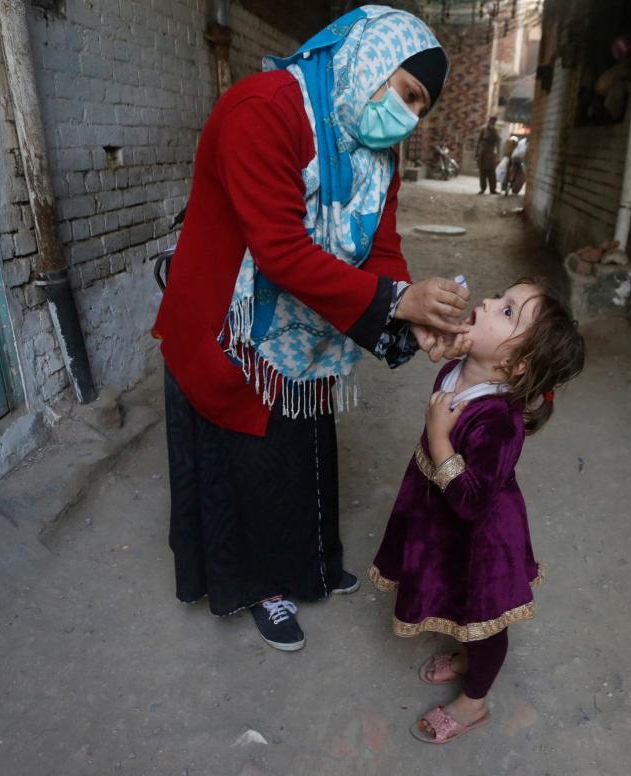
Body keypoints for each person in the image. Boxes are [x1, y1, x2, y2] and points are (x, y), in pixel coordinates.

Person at [153, 6, 470, 652]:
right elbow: (280, 251)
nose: (408, 115)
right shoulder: (262, 111)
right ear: (372, 61)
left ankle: (311, 567)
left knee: (303, 445)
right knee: (252, 456)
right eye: (407, 93)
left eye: (421, 107)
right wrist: (396, 304)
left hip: (304, 325)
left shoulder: (377, 150)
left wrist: (410, 310)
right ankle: (263, 585)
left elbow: (381, 247)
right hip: (231, 321)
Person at [370, 278, 586, 743]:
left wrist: (441, 436)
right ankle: (467, 656)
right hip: (437, 519)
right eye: (500, 298)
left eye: (507, 312)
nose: (488, 302)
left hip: (480, 539)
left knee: (482, 617)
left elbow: (471, 502)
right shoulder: (459, 370)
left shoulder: (499, 422)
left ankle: (475, 703)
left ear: (514, 363)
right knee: (453, 596)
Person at [474, 116, 501, 194]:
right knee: (482, 172)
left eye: (494, 121)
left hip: (491, 154)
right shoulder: (483, 129)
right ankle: (483, 188)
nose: (492, 122)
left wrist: (498, 155)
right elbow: (479, 141)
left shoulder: (495, 131)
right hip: (482, 153)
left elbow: (497, 143)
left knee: (491, 172)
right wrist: (476, 153)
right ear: (489, 121)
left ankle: (493, 189)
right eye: (491, 121)